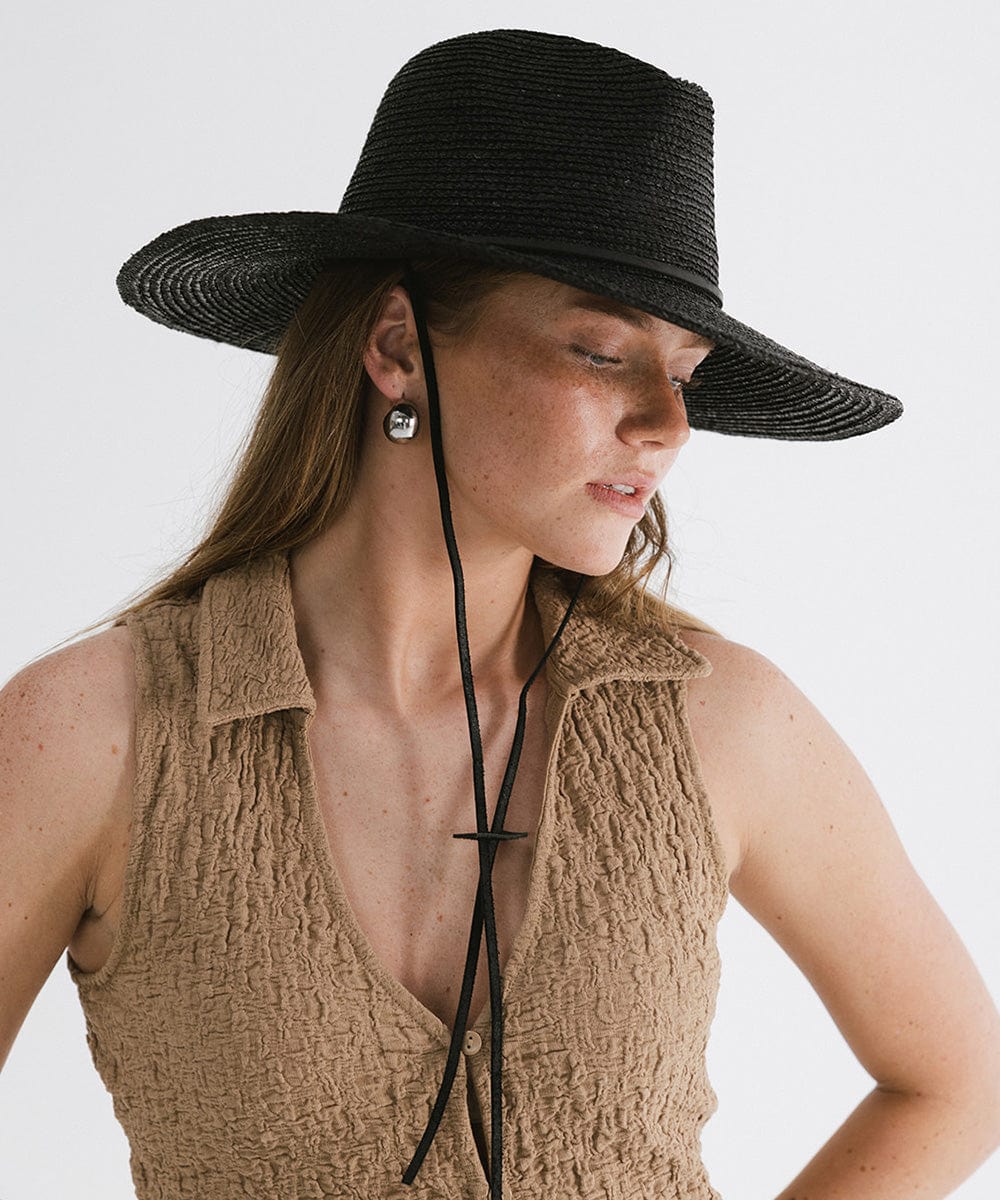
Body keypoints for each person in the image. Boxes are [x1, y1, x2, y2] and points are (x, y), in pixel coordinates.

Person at [1, 27, 998, 1200]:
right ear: (396, 348)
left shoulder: (723, 725)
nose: (666, 423)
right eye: (599, 350)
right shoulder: (95, 734)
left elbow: (958, 1080)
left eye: (681, 369)